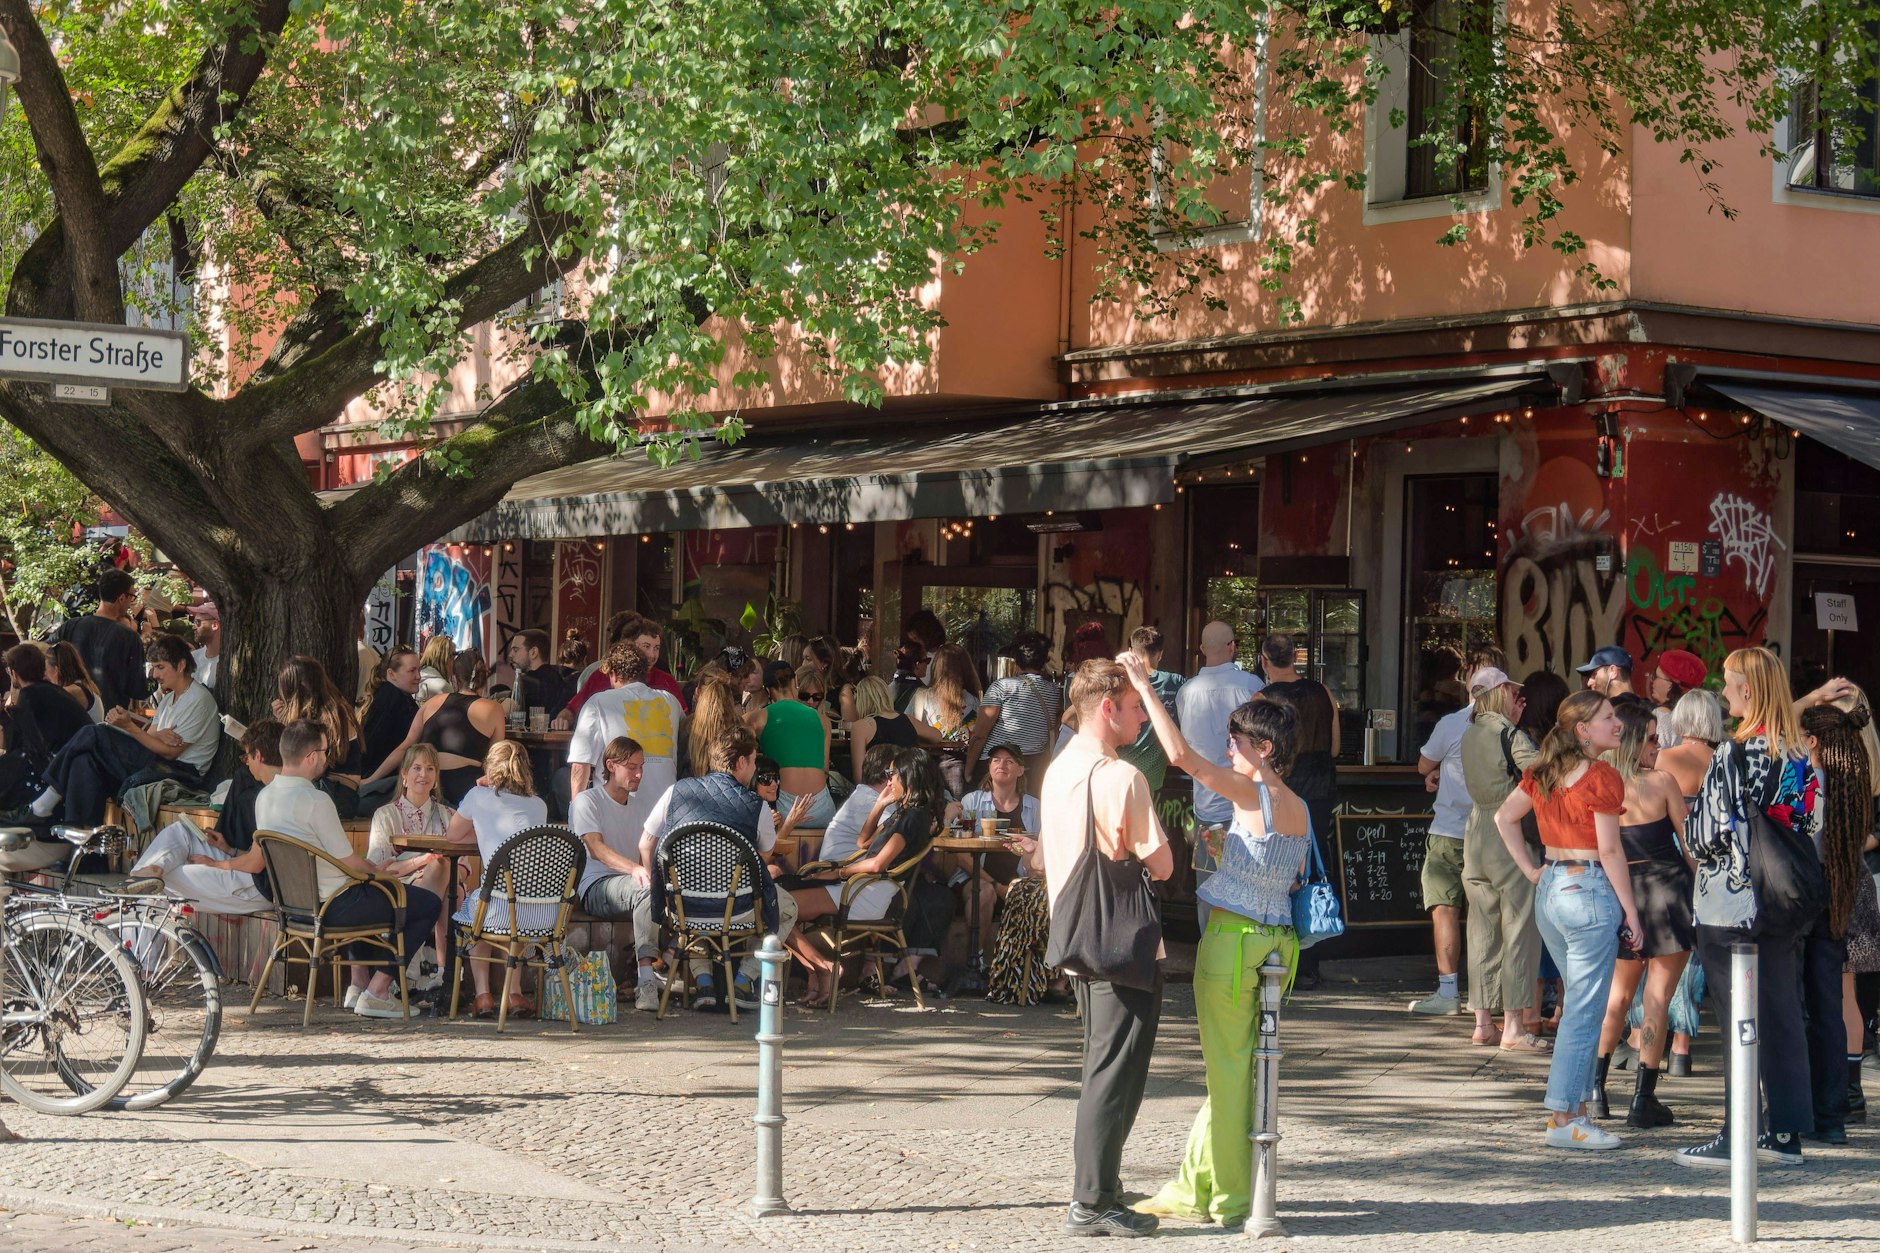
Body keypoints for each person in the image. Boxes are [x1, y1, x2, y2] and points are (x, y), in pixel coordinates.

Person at [1120, 651, 1310, 1229]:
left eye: (1238, 741)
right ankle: (1202, 1184)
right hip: (1281, 943)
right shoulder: (1298, 805)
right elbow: (1294, 875)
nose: (1230, 749)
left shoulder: (1254, 794)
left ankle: (1229, 1199)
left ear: (1264, 749)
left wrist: (1143, 686)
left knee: (1229, 1071)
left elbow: (1179, 756)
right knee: (1246, 1068)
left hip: (1235, 939)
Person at [1669, 647, 1820, 1168]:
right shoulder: (1798, 754)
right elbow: (1809, 825)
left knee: (1738, 1020)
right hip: (1783, 901)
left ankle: (1738, 1132)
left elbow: (1704, 833)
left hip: (1730, 903)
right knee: (1780, 1013)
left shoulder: (1733, 753)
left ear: (1750, 691)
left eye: (1730, 683)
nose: (1724, 690)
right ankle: (1785, 1134)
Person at [1041, 658, 1173, 1237]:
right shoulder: (1123, 778)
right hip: (1121, 935)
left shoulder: (1059, 767)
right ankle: (1093, 1197)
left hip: (1076, 928)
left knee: (1105, 1062)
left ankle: (1102, 1185)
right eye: (1137, 706)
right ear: (1108, 708)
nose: (1142, 716)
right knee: (1116, 1070)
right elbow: (1162, 864)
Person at [1494, 690, 1640, 1151]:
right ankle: (1564, 1116)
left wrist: (1532, 869)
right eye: (1608, 717)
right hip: (1589, 889)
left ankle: (1571, 1112)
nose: (1617, 724)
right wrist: (1632, 912)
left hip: (1553, 888)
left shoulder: (1544, 772)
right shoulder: (1602, 776)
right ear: (1583, 728)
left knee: (1580, 1003)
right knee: (1583, 1010)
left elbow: (1504, 817)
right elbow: (1611, 850)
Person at [260, 719, 441, 1019]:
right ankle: (378, 991)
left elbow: (345, 862)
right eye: (324, 750)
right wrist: (385, 872)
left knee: (370, 888)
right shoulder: (316, 800)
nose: (327, 757)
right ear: (311, 757)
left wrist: (372, 869)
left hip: (293, 907)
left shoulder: (264, 797)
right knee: (426, 903)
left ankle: (358, 987)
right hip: (333, 906)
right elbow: (350, 864)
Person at [637, 725, 795, 1011]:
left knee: (696, 914)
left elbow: (646, 843)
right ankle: (745, 980)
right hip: (736, 909)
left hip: (683, 907)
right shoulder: (756, 806)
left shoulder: (676, 791)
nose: (756, 767)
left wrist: (659, 884)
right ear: (742, 762)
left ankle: (705, 982)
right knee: (788, 907)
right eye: (755, 760)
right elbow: (763, 860)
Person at [1588, 701, 1692, 1129]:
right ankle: (1642, 1100)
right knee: (1657, 998)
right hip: (1667, 894)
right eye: (1651, 737)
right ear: (1632, 739)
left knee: (1616, 997)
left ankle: (1595, 1090)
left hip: (1621, 893)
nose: (1659, 745)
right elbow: (1692, 848)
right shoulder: (1662, 782)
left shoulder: (1601, 784)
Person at [18, 635, 219, 827]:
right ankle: (82, 845)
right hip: (159, 762)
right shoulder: (168, 699)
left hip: (180, 772)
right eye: (154, 667)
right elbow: (151, 739)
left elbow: (170, 752)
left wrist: (129, 727)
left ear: (181, 665)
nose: (154, 675)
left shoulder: (199, 700)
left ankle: (47, 798)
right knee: (84, 761)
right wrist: (151, 734)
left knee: (94, 733)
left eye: (160, 667)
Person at [1797, 701, 1876, 1144]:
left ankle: (1801, 1107)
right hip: (1837, 894)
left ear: (1812, 741)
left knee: (1799, 1006)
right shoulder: (1853, 781)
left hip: (1804, 896)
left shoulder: (1810, 781)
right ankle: (1831, 1113)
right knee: (1829, 1007)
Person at [1459, 668, 1546, 1049]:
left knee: (1480, 930)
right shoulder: (1509, 734)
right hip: (1506, 830)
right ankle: (1513, 1026)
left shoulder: (1469, 732)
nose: (1516, 697)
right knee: (1518, 927)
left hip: (1475, 830)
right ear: (1499, 693)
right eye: (1512, 691)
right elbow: (1542, 773)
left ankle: (1483, 1024)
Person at [122, 721, 283, 915]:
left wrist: (216, 864)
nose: (246, 762)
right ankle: (152, 869)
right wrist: (230, 850)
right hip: (249, 873)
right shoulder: (279, 791)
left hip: (259, 888)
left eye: (247, 756)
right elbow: (262, 857)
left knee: (161, 880)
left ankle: (130, 929)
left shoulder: (275, 797)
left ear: (258, 755)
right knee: (179, 832)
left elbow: (258, 864)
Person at [447, 740, 552, 1019]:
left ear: (489, 769)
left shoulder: (478, 796)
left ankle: (483, 995)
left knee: (479, 911)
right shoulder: (538, 806)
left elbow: (452, 836)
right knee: (507, 901)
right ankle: (513, 992)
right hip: (542, 915)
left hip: (498, 909)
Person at [1259, 632, 1337, 988]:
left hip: (1283, 792)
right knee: (1313, 874)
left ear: (1264, 660)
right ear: (1296, 658)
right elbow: (1335, 747)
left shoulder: (1263, 700)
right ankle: (1309, 961)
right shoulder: (1322, 693)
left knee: (1279, 873)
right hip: (1320, 791)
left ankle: (1279, 958)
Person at [569, 735, 665, 1013]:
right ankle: (647, 979)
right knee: (648, 888)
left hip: (629, 886)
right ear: (611, 765)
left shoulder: (641, 806)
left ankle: (670, 965)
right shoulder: (588, 801)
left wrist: (645, 872)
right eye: (632, 767)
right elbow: (596, 849)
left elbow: (644, 853)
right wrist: (636, 869)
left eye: (642, 767)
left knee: (668, 891)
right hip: (595, 885)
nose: (639, 774)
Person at [1176, 621, 1264, 916]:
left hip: (1207, 807)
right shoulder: (1252, 685)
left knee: (1209, 889)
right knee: (1248, 888)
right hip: (1246, 806)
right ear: (1232, 646)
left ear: (1201, 650)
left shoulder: (1186, 692)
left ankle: (1210, 951)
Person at [362, 742, 456, 984]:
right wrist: (423, 860)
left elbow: (463, 866)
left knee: (446, 873)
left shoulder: (449, 815)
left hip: (447, 885)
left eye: (429, 769)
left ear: (436, 777)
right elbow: (380, 869)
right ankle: (444, 974)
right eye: (416, 768)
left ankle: (427, 972)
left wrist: (437, 867)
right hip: (399, 887)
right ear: (404, 775)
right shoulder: (386, 815)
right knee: (441, 870)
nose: (423, 775)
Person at [1412, 661, 1476, 1017]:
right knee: (1490, 915)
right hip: (1494, 833)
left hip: (1450, 830)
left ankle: (1449, 992)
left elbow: (1423, 763)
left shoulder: (1452, 724)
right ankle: (1487, 998)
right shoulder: (1512, 730)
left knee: (1445, 910)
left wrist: (1437, 769)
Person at [365, 652, 507, 806]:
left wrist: (371, 779)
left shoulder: (432, 702)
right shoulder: (494, 709)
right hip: (464, 785)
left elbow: (405, 747)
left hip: (425, 781)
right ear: (484, 678)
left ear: (454, 678)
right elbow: (496, 759)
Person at [570, 642, 684, 800]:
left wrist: (577, 809)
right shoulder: (671, 701)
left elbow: (580, 765)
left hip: (616, 810)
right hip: (667, 810)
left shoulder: (598, 702)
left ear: (614, 674)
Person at [0, 643, 94, 812]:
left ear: (13, 673)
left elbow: (28, 746)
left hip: (61, 767)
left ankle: (20, 814)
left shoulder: (29, 696)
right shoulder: (56, 692)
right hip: (78, 762)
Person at [966, 631, 1062, 798]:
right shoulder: (1054, 692)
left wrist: (968, 771)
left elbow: (980, 734)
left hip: (996, 766)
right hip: (1032, 769)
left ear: (1016, 659)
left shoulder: (1001, 687)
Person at [746, 660, 836, 827]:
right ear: (795, 681)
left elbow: (744, 765)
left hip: (784, 809)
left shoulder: (755, 719)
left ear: (767, 690)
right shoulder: (823, 720)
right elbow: (825, 769)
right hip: (821, 807)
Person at [556, 614, 688, 726]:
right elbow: (571, 710)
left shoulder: (666, 681)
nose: (652, 655)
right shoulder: (601, 676)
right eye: (646, 646)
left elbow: (684, 720)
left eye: (657, 648)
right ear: (630, 647)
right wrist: (562, 719)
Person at [272, 655, 364, 814]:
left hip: (334, 794)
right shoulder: (334, 710)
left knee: (254, 783)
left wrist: (285, 725)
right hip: (336, 793)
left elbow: (308, 765)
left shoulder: (329, 717)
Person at [49, 568, 146, 713]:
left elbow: (43, 654)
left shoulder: (70, 626)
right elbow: (138, 689)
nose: (132, 602)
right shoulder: (129, 637)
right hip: (110, 719)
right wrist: (153, 682)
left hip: (71, 712)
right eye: (132, 597)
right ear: (121, 598)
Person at [1115, 626, 1184, 796]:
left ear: (1131, 651)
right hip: (1152, 775)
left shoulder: (1118, 681)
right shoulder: (1175, 683)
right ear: (1160, 653)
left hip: (1118, 768)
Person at [358, 646, 422, 802]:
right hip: (381, 788)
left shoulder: (393, 696)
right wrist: (370, 780)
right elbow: (400, 748)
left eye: (418, 670)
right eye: (411, 671)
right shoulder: (393, 698)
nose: (418, 676)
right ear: (391, 674)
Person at [847, 674, 939, 780]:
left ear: (860, 700)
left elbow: (859, 778)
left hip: (880, 789)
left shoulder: (861, 726)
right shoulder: (908, 720)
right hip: (909, 786)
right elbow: (937, 736)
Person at [506, 628, 579, 719]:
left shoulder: (527, 680)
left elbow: (503, 711)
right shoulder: (560, 677)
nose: (510, 655)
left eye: (515, 650)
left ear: (534, 652)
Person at [1648, 649, 1706, 749]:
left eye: (1655, 676)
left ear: (1671, 684)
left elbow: (1655, 756)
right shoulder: (1699, 718)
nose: (1652, 681)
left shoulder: (1662, 717)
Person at [47, 641, 106, 723]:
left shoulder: (73, 691)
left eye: (46, 668)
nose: (44, 674)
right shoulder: (84, 684)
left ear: (56, 670)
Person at [186, 603, 221, 690]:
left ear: (215, 625)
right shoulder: (192, 657)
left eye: (197, 622)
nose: (193, 627)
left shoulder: (231, 664)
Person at [886, 640, 928, 713]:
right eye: (927, 661)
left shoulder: (886, 688)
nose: (927, 664)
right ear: (917, 664)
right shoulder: (923, 692)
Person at [415, 635, 455, 702]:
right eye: (452, 656)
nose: (454, 661)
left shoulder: (417, 679)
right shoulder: (442, 687)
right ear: (445, 658)